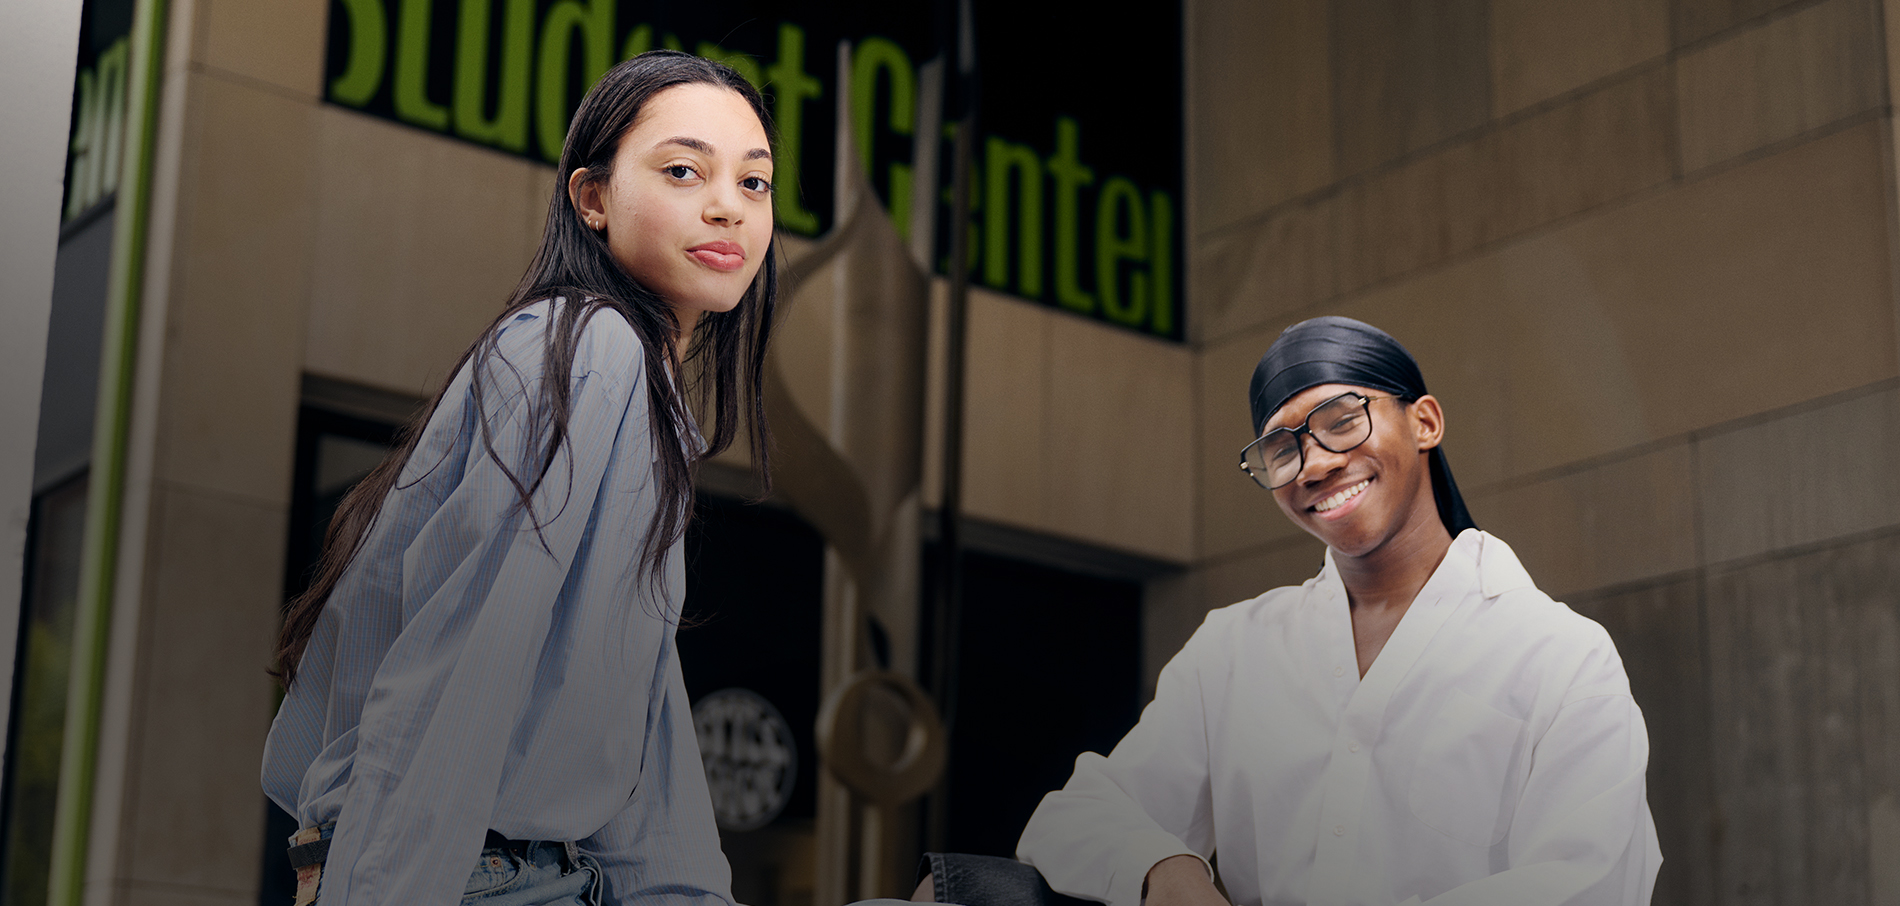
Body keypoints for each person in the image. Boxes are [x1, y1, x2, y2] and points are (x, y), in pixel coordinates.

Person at [261, 50, 779, 906]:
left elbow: (638, 740)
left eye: (754, 184)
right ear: (594, 198)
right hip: (459, 871)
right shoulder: (586, 351)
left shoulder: (630, 387)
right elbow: (465, 664)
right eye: (684, 170)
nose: (728, 205)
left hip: (516, 869)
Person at [1008, 317, 1661, 906]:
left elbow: (1589, 885)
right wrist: (1167, 869)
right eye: (1281, 450)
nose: (1313, 464)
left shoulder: (1559, 654)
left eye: (1342, 420)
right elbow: (1077, 817)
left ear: (1425, 422)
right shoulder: (1234, 651)